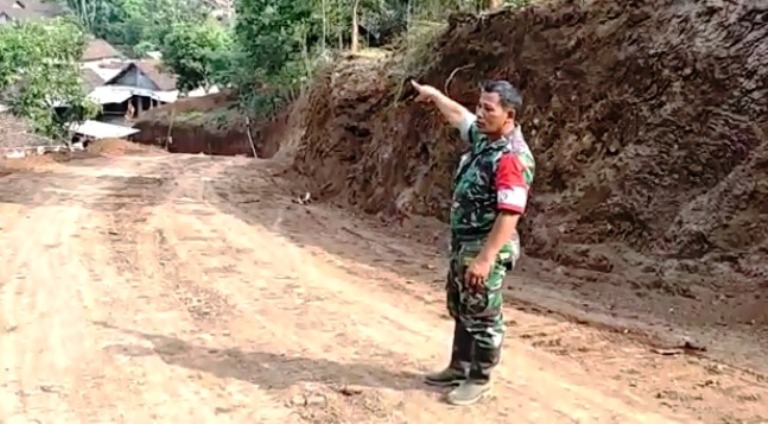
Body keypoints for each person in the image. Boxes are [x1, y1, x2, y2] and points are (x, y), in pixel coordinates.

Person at [410, 78, 535, 405]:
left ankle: (479, 379)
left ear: (508, 115)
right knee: (462, 305)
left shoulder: (511, 157)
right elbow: (460, 117)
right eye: (480, 105)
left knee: (483, 313)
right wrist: (436, 95)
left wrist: (486, 258)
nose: (479, 113)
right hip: (464, 243)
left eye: (488, 109)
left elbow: (510, 213)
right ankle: (459, 367)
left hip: (485, 245)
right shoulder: (486, 138)